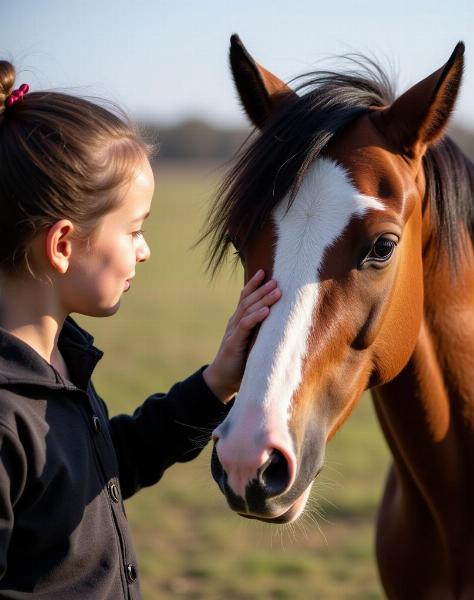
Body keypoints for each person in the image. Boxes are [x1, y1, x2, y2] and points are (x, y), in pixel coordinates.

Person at [0, 60, 281, 599]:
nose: (145, 251)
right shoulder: (6, 417)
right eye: (134, 230)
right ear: (62, 245)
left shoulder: (62, 359)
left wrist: (216, 382)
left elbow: (107, 469)